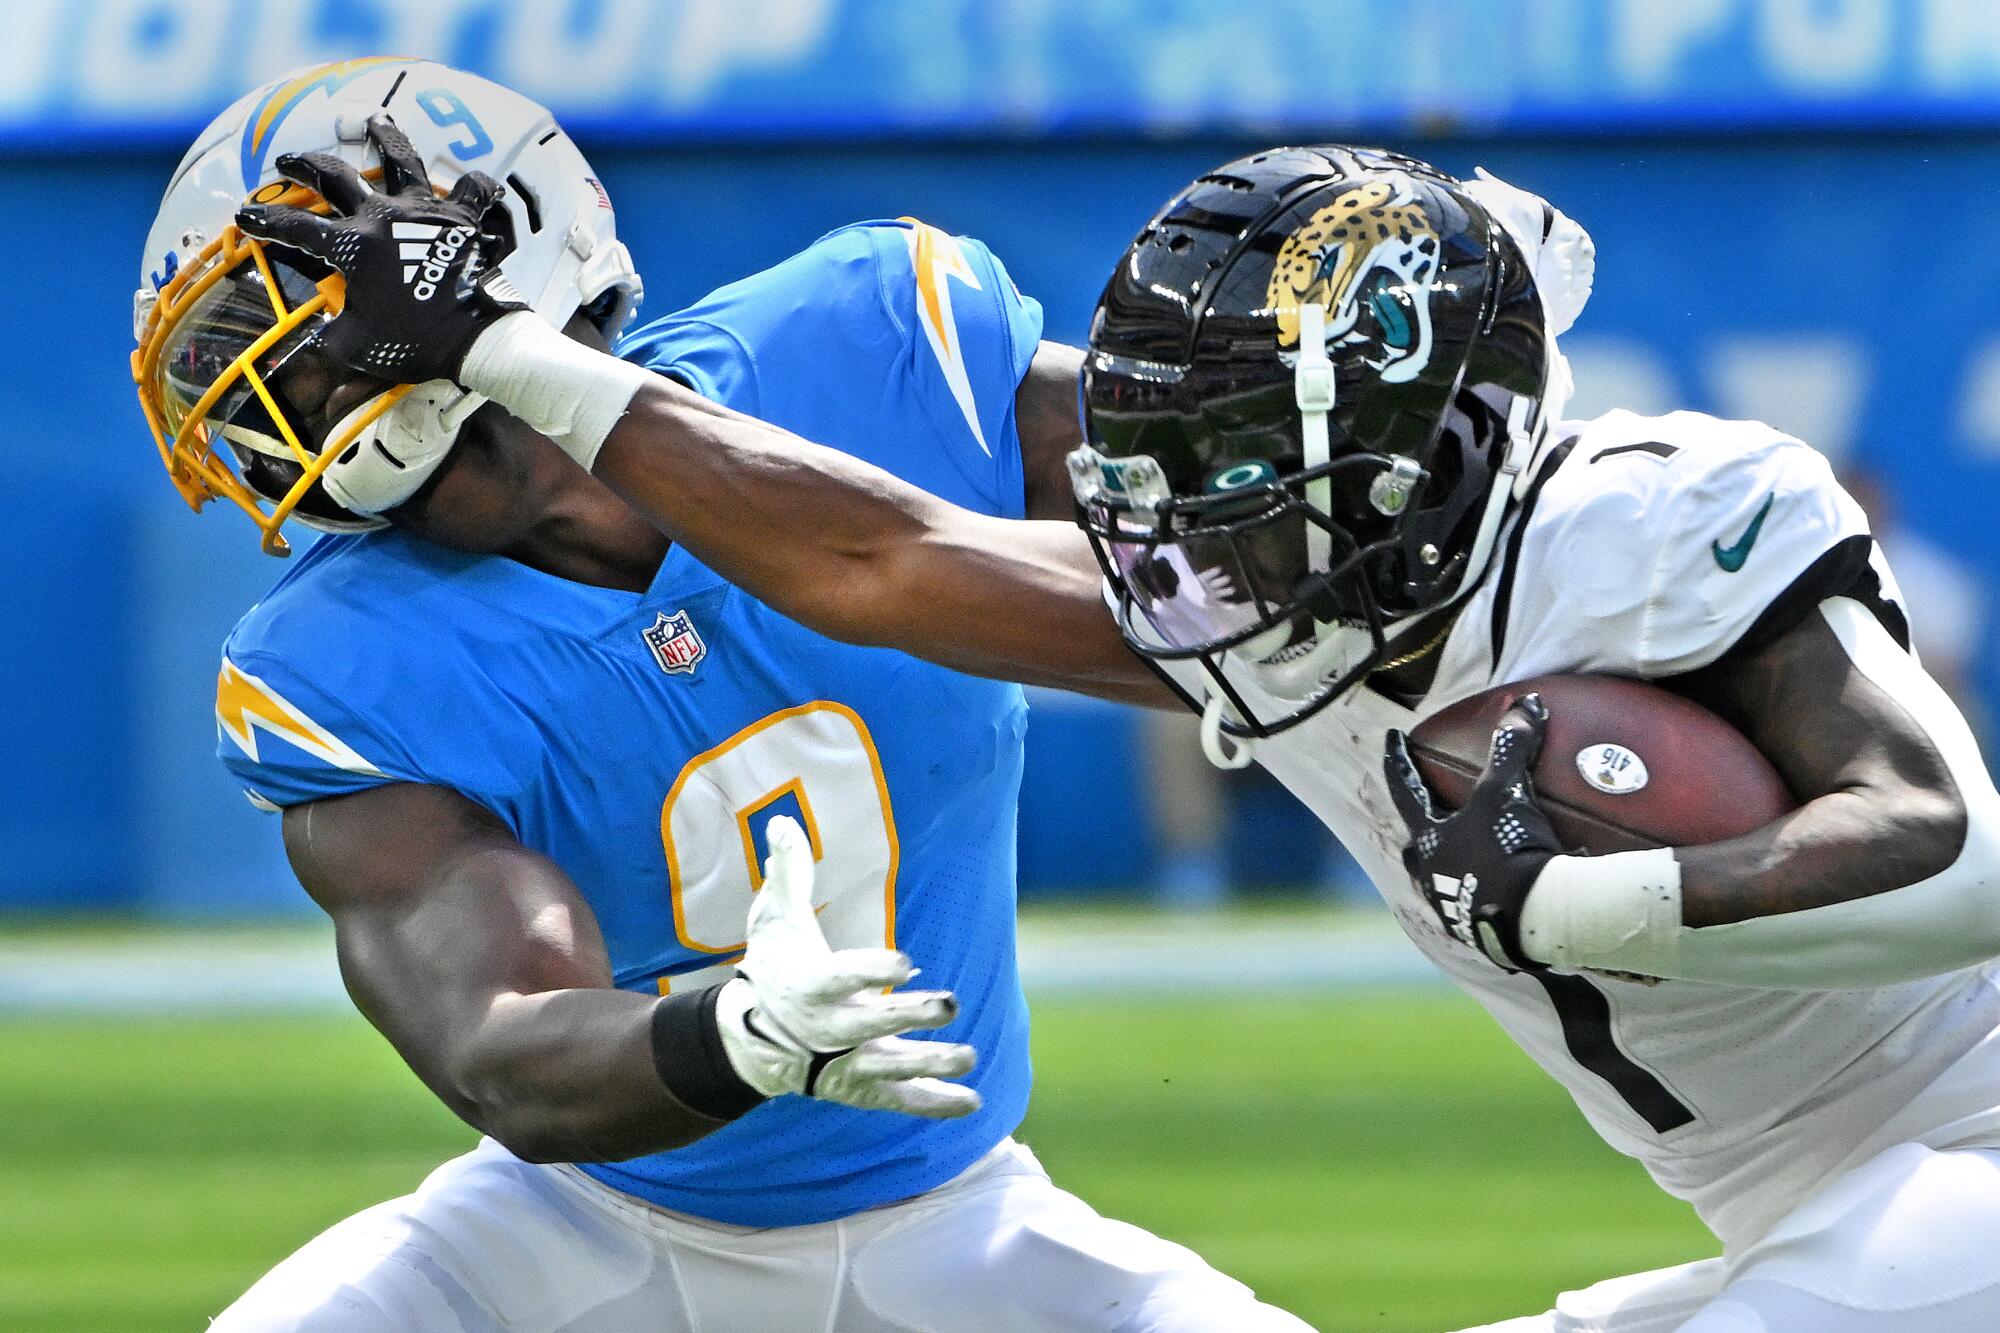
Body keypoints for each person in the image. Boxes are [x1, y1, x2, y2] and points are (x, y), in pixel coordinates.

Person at [264, 136, 2000, 1330]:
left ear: (1414, 445)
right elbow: (881, 557)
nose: (1173, 515)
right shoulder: (1270, 620)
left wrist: (1598, 908)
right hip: (1791, 1185)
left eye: (1236, 458)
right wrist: (512, 354)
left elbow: (1966, 862)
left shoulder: (1655, 518)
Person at [135, 60, 1310, 1331]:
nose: (300, 412)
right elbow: (501, 1042)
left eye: (334, 342)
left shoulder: (867, 340)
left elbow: (1249, 576)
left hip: (969, 1223)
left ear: (507, 244)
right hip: (577, 1233)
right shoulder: (340, 659)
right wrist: (733, 1038)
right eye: (280, 380)